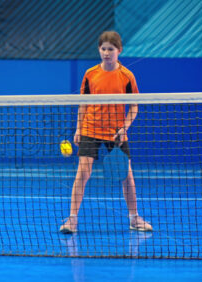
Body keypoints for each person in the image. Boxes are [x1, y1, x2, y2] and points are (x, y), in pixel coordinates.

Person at [60, 31, 153, 234]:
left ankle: (134, 218)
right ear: (99, 50)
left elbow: (134, 106)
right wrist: (78, 128)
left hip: (116, 132)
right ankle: (72, 220)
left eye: (111, 49)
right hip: (91, 128)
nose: (106, 53)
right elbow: (83, 104)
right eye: (103, 49)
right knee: (83, 173)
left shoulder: (127, 76)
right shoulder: (90, 74)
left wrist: (124, 128)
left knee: (126, 176)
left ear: (119, 50)